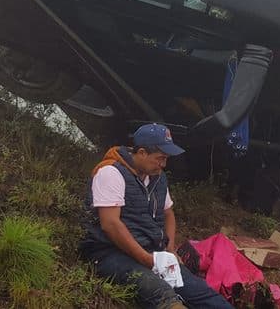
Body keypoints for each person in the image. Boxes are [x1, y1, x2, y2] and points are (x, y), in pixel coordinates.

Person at [79, 123, 232, 309]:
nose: (163, 165)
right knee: (163, 296)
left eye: (166, 159)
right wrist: (148, 260)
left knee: (202, 293)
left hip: (152, 252)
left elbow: (168, 213)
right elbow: (110, 224)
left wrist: (170, 249)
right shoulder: (111, 173)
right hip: (110, 253)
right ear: (142, 152)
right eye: (160, 158)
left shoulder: (157, 177)